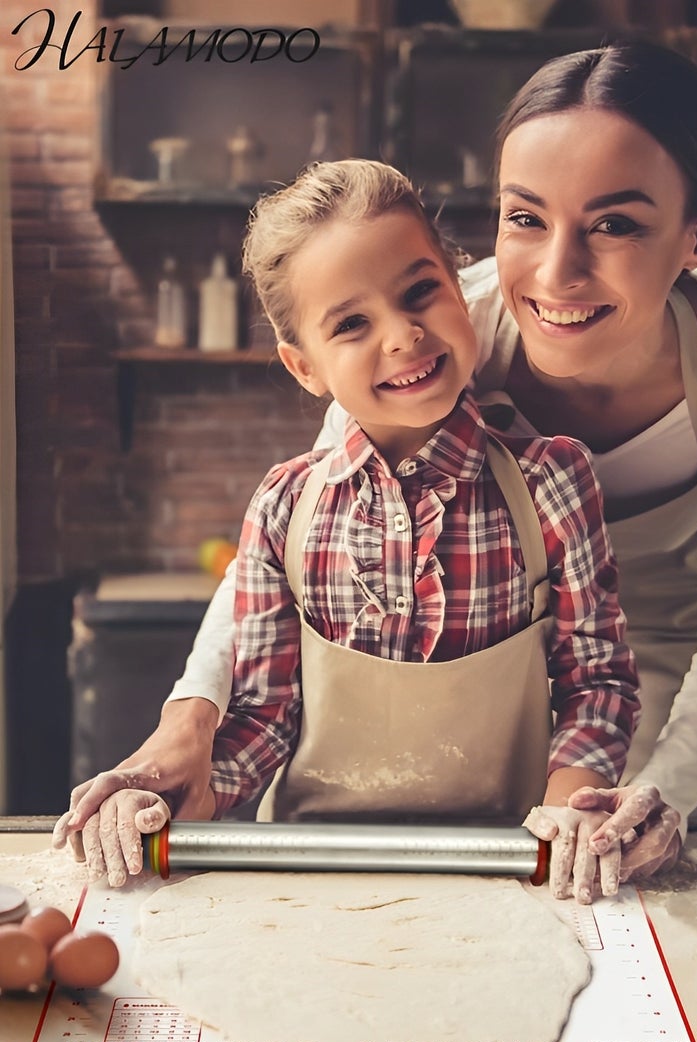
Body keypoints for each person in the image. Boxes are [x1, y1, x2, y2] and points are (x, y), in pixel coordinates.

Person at [55, 40, 697, 883]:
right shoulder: (446, 323)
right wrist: (187, 720)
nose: (556, 274)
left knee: (614, 888)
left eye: (616, 223)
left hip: (668, 667)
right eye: (525, 217)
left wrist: (658, 791)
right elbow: (282, 550)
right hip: (501, 681)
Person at [56, 159, 639, 895]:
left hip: (511, 870)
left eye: (421, 291)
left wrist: (571, 813)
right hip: (308, 872)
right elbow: (264, 719)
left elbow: (598, 682)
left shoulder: (553, 479)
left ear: (461, 291)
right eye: (352, 324)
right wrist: (174, 800)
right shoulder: (283, 506)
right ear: (305, 368)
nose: (403, 336)